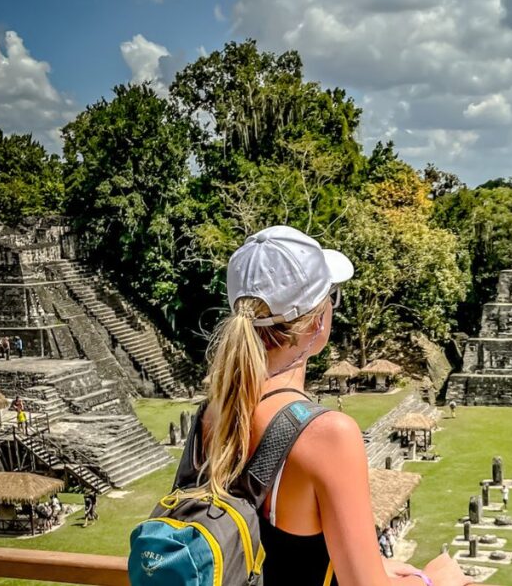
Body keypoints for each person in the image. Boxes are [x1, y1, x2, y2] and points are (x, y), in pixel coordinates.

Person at [196, 226, 471, 586]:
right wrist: (434, 579)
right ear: (319, 319)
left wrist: (372, 564)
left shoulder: (213, 412)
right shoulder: (325, 435)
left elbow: (269, 553)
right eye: (332, 297)